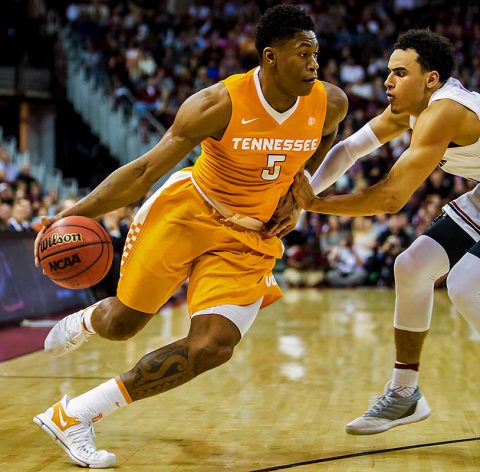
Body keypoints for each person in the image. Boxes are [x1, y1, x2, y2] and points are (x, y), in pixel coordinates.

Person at [32, 5, 348, 468]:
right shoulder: (217, 104)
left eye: (316, 54)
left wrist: (299, 192)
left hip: (249, 238)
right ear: (270, 57)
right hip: (189, 213)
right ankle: (87, 321)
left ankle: (75, 414)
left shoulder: (330, 102)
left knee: (213, 347)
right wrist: (70, 214)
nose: (314, 65)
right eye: (303, 54)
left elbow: (323, 144)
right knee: (123, 325)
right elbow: (142, 172)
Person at [292, 29, 480, 435]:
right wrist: (299, 200)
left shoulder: (444, 111)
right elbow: (348, 150)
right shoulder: (410, 110)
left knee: (465, 284)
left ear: (430, 79)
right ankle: (404, 394)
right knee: (411, 267)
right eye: (387, 72)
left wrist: (315, 204)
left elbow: (392, 197)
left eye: (399, 72)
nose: (387, 82)